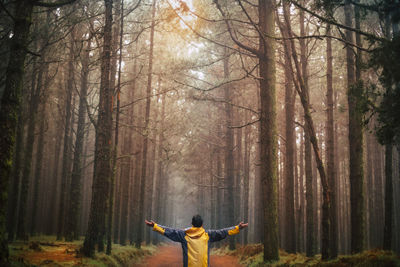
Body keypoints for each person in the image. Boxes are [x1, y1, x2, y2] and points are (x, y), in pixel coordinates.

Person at [145, 214, 248, 267]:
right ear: (202, 224)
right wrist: (238, 228)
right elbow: (223, 232)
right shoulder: (208, 235)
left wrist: (155, 226)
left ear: (192, 223)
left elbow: (168, 231)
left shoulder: (183, 235)